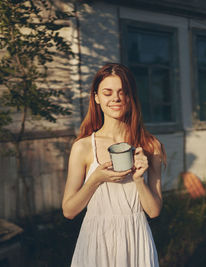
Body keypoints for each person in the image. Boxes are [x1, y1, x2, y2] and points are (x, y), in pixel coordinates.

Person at [62, 63, 166, 267]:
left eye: (122, 92)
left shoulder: (150, 145)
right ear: (97, 98)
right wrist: (95, 179)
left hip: (136, 240)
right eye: (107, 93)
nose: (116, 98)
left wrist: (138, 180)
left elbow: (154, 211)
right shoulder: (83, 147)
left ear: (130, 97)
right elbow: (69, 211)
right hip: (96, 242)